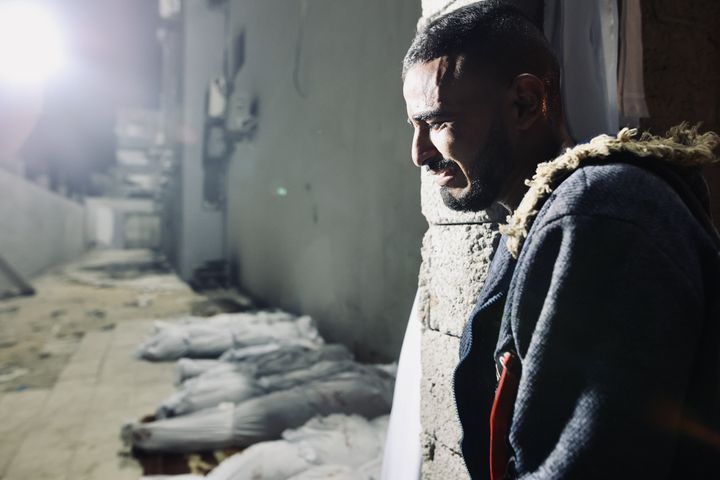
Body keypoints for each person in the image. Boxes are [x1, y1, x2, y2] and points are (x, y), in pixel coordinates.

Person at [401, 2, 720, 479]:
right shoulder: (546, 214)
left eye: (438, 121)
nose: (419, 153)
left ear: (526, 102)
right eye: (414, 126)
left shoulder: (600, 216)